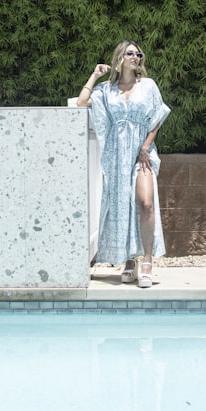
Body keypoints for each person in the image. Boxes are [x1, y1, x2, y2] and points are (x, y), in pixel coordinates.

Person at [77, 40, 170, 288]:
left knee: (145, 202)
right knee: (123, 206)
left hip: (142, 154)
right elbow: (82, 101)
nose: (136, 57)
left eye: (138, 54)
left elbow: (158, 116)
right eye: (130, 53)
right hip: (117, 156)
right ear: (120, 57)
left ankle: (147, 260)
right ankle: (129, 261)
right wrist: (95, 75)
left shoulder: (148, 86)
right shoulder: (107, 90)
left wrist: (145, 147)